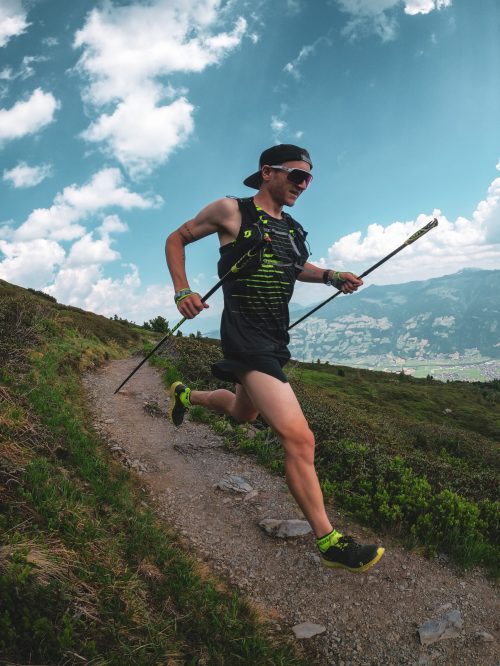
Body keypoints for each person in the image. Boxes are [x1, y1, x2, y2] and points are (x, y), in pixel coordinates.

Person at [165, 144, 384, 573]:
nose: (303, 185)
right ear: (268, 172)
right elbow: (177, 237)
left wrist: (331, 276)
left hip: (273, 336)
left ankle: (186, 395)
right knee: (300, 439)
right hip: (245, 337)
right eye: (296, 176)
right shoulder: (232, 210)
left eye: (309, 179)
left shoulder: (294, 230)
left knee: (244, 413)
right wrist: (181, 289)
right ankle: (329, 541)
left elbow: (297, 266)